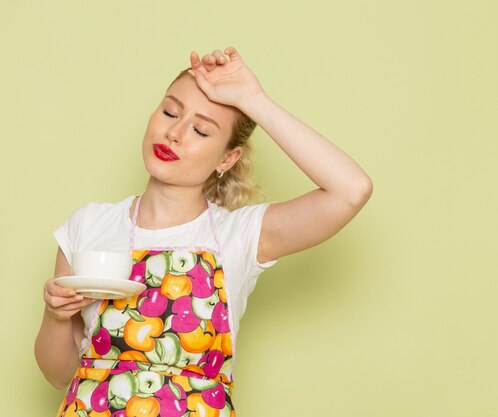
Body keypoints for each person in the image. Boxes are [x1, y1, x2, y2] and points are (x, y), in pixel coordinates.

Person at [35, 46, 373, 416]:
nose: (175, 133)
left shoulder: (241, 235)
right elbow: (58, 373)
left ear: (227, 159)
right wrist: (55, 316)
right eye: (169, 112)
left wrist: (254, 101)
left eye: (200, 130)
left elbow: (351, 190)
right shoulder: (88, 225)